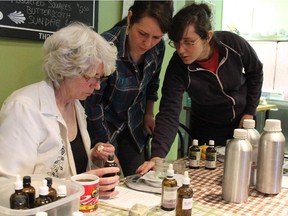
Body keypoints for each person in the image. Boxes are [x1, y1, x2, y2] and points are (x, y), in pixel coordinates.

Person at [137, 3, 263, 174]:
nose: (181, 50)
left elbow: (255, 72)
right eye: (176, 42)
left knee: (243, 175)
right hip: (206, 130)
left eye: (189, 42)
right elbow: (169, 112)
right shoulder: (178, 66)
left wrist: (250, 111)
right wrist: (157, 157)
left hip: (241, 125)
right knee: (204, 177)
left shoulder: (233, 44)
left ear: (207, 37)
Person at [0, 22, 120, 197]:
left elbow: (72, 170)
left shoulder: (76, 106)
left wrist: (93, 158)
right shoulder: (23, 108)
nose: (96, 86)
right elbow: (7, 186)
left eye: (100, 78)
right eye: (91, 77)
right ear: (66, 69)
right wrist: (73, 186)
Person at [85, 0, 174, 176]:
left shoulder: (159, 49)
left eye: (156, 37)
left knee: (141, 179)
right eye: (142, 33)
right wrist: (105, 145)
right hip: (103, 126)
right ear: (130, 18)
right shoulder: (105, 46)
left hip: (134, 126)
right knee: (109, 182)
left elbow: (152, 84)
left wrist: (149, 113)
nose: (148, 43)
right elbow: (93, 103)